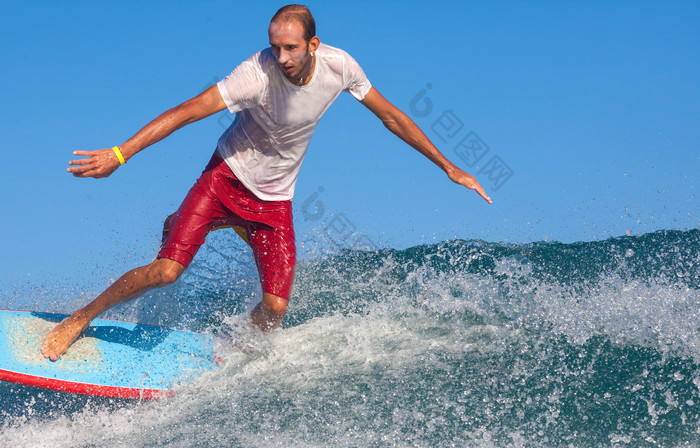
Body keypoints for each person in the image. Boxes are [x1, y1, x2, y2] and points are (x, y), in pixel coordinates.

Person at [41, 4, 492, 361]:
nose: (282, 58)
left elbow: (391, 115)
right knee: (166, 272)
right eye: (275, 47)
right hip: (225, 180)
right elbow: (188, 110)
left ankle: (235, 354)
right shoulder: (254, 74)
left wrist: (447, 166)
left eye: (292, 48)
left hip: (274, 201)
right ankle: (81, 318)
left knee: (275, 309)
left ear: (313, 44)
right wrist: (121, 153)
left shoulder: (341, 67)